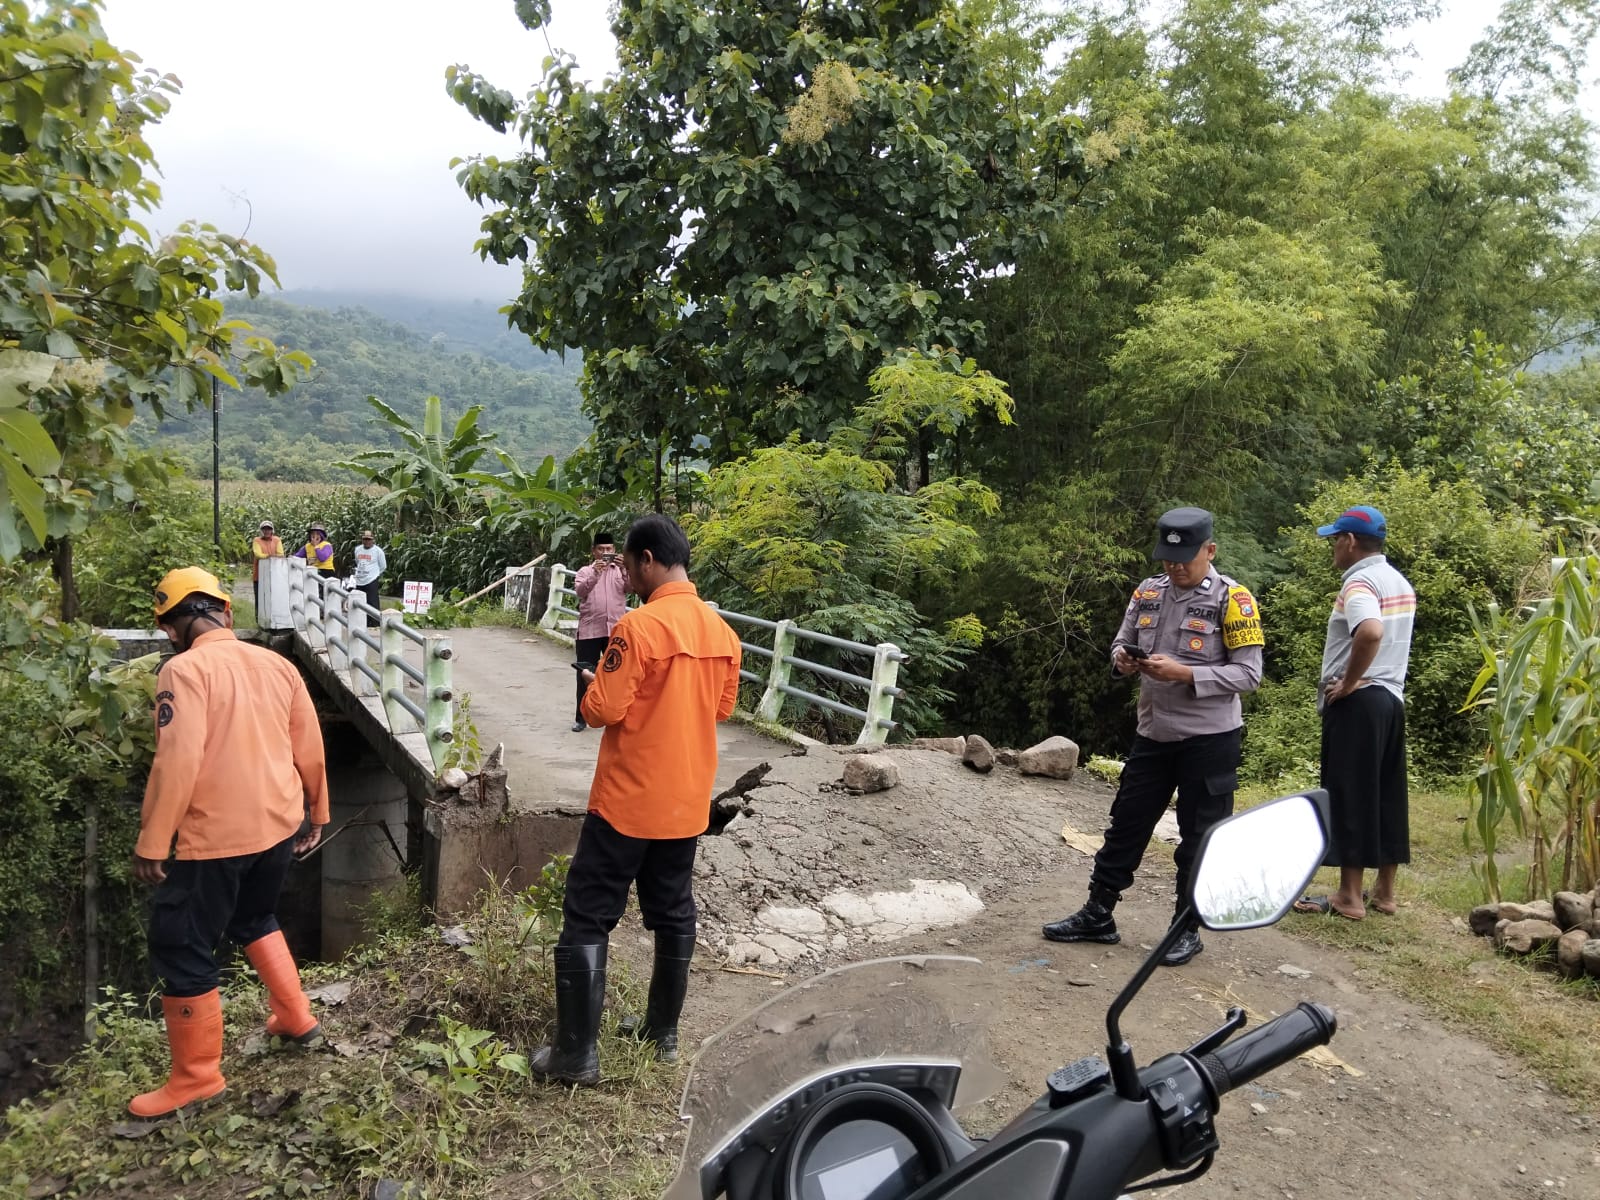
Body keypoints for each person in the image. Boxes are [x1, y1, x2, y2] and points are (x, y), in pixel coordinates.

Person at [531, 515, 742, 1086]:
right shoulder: (723, 634)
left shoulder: (638, 628)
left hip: (626, 803)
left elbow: (603, 711)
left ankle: (576, 1055)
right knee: (673, 912)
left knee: (588, 914)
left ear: (647, 559)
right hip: (686, 805)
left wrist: (589, 681)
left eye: (627, 566)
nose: (626, 576)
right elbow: (721, 710)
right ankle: (662, 1032)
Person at [128, 567, 330, 1119]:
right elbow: (308, 745)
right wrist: (319, 811)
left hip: (214, 836)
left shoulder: (183, 670)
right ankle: (295, 1016)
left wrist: (153, 840)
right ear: (226, 612)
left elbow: (178, 759)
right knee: (255, 916)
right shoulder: (277, 664)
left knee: (181, 943)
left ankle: (196, 1078)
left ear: (171, 626)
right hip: (277, 825)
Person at [1042, 507, 1264, 966]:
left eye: (1184, 558)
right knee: (1127, 823)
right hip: (1154, 732)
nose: (1174, 567)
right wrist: (1122, 660)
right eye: (1167, 558)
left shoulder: (1234, 600)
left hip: (1210, 738)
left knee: (1198, 835)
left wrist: (1185, 673)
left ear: (1210, 551)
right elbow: (1120, 643)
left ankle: (1186, 928)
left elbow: (1248, 674)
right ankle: (1098, 914)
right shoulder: (1147, 591)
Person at [1293, 505, 1416, 921]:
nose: (1332, 550)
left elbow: (1371, 630)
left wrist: (1346, 682)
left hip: (1359, 702)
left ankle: (1349, 896)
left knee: (1348, 792)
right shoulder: (1399, 582)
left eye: (1334, 541)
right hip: (1391, 701)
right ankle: (1384, 892)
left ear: (1349, 541)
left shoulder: (1359, 582)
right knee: (1385, 791)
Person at [570, 531, 630, 733]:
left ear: (614, 550)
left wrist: (624, 569)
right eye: (601, 549)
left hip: (615, 630)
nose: (606, 552)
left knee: (618, 673)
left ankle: (616, 715)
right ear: (594, 551)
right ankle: (581, 717)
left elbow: (631, 588)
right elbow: (580, 592)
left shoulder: (620, 571)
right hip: (589, 630)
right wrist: (596, 573)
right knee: (584, 673)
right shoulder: (585, 571)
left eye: (609, 549)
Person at [251, 520, 284, 611]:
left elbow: (281, 554)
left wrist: (269, 557)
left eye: (269, 529)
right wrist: (270, 556)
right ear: (261, 530)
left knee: (273, 598)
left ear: (272, 530)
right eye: (264, 529)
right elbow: (258, 554)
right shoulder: (256, 540)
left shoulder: (277, 540)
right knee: (259, 598)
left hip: (274, 576)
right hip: (259, 576)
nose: (266, 531)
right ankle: (259, 619)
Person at [352, 529, 387, 610]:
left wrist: (375, 575)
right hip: (360, 580)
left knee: (372, 602)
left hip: (371, 579)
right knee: (360, 601)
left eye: (369, 539)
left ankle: (374, 622)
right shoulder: (357, 549)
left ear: (372, 540)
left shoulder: (378, 551)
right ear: (362, 540)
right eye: (365, 539)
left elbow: (383, 566)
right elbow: (358, 561)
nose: (367, 541)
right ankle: (362, 621)